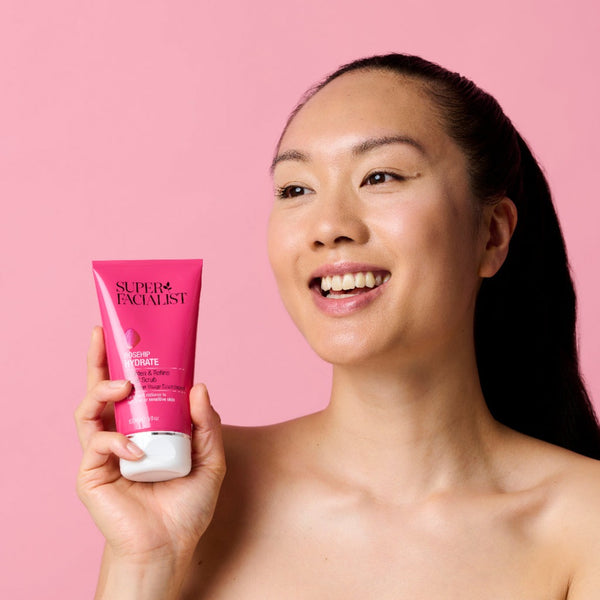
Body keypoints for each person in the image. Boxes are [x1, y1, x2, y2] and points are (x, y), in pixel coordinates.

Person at [75, 53, 600, 599]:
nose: (328, 227)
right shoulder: (197, 490)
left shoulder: (585, 523)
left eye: (380, 176)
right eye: (296, 190)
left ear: (492, 234)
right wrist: (146, 560)